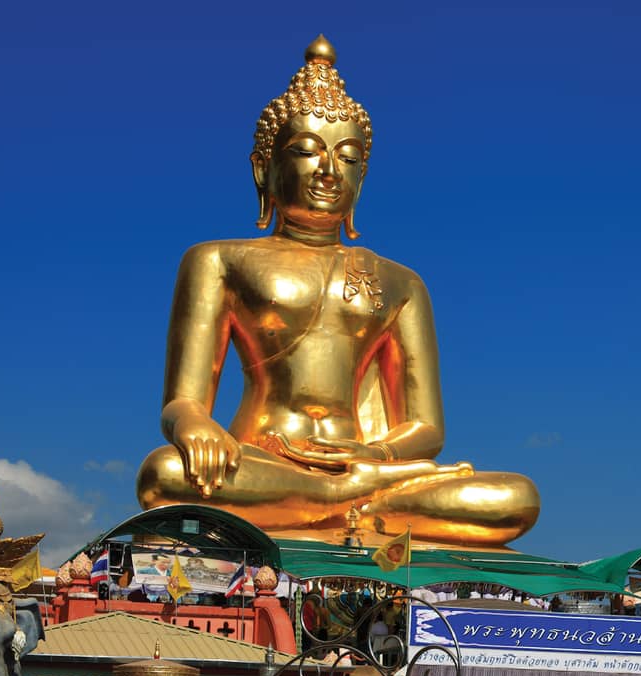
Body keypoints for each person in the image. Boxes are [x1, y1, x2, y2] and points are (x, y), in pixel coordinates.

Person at [135, 36, 539, 548]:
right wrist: (194, 424)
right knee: (165, 474)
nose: (328, 172)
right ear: (264, 168)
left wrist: (375, 458)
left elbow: (424, 428)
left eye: (347, 159)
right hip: (261, 459)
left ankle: (340, 501)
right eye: (306, 152)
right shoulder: (217, 260)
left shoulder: (401, 282)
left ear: (362, 177)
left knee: (515, 497)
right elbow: (183, 400)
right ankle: (352, 502)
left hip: (369, 465)